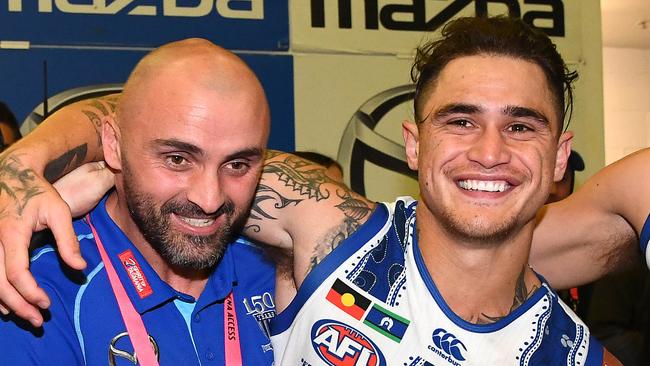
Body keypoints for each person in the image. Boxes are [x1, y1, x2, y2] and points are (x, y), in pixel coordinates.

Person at [0, 16, 647, 364]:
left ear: (560, 155)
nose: (489, 151)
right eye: (460, 120)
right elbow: (160, 118)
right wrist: (20, 168)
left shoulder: (570, 352)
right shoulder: (328, 225)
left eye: (521, 126)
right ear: (414, 144)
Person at [0, 39, 278, 365]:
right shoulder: (38, 290)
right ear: (114, 145)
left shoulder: (280, 263)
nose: (209, 199)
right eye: (177, 159)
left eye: (237, 165)